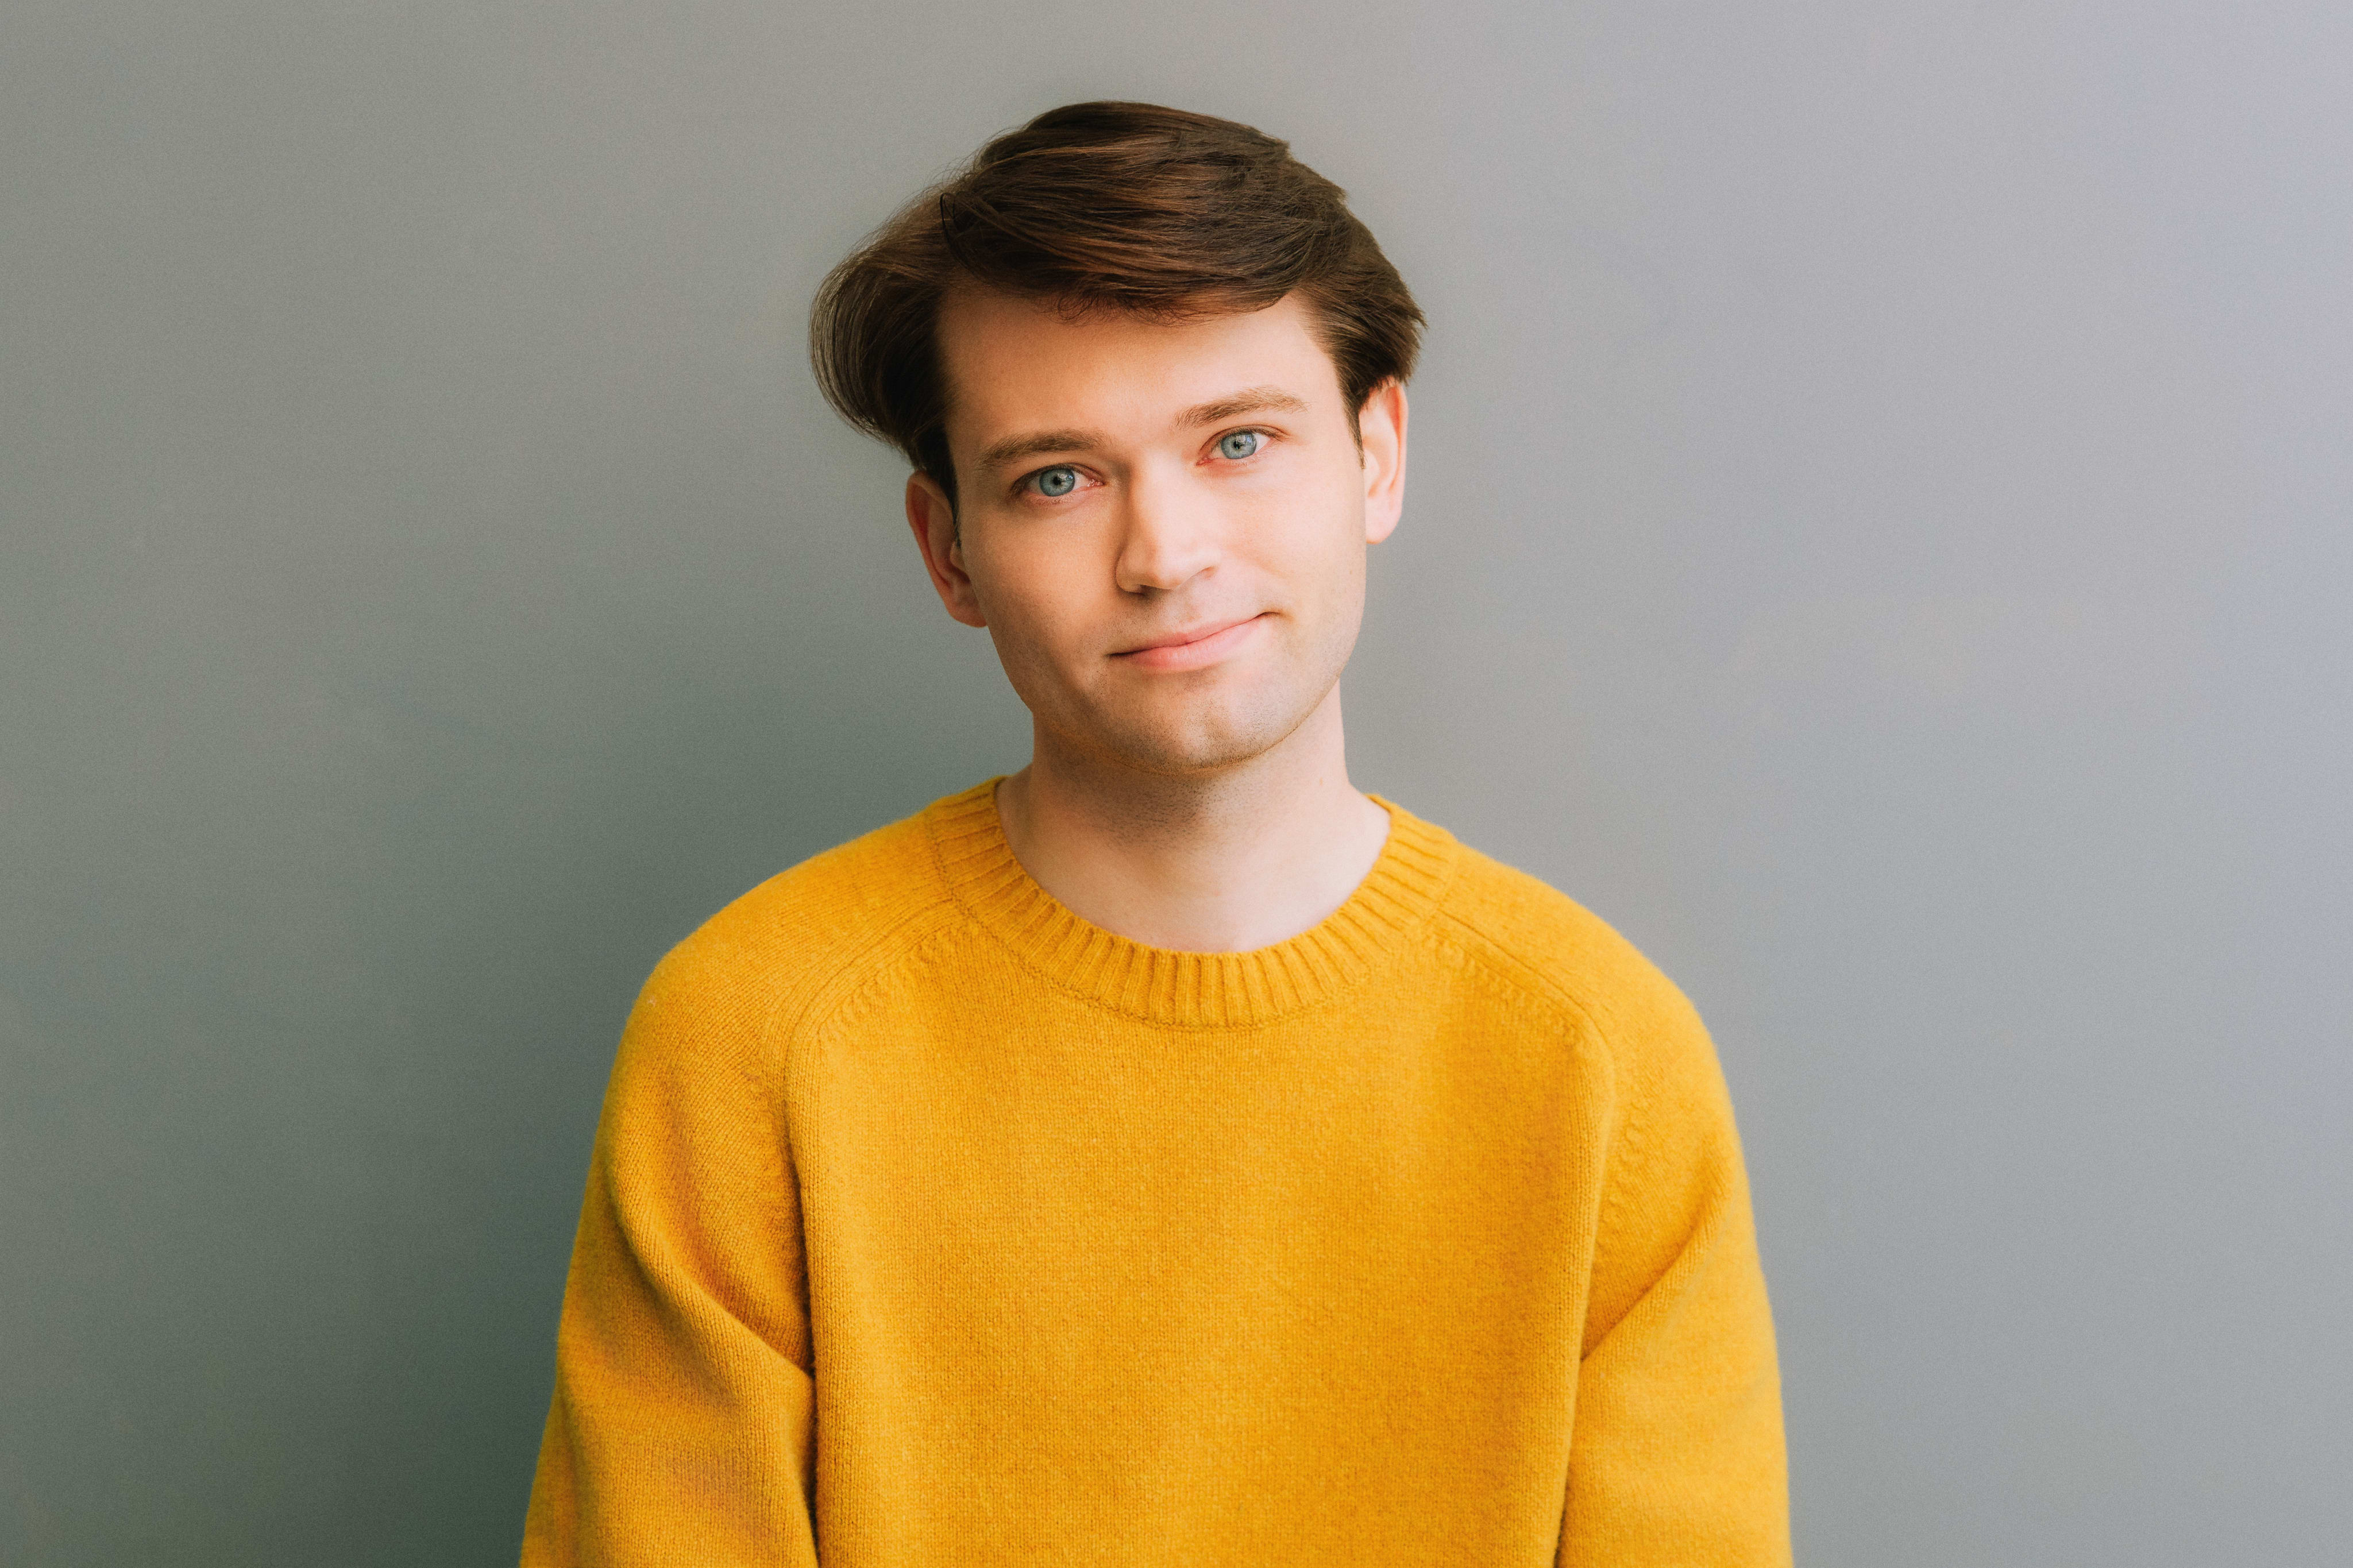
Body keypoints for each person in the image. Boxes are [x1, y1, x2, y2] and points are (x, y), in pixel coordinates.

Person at [520, 101, 1788, 1566]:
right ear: (949, 554)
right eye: (1057, 477)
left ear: (1376, 455)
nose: (1164, 555)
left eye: (1238, 442)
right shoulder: (751, 1036)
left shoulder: (1601, 1057)